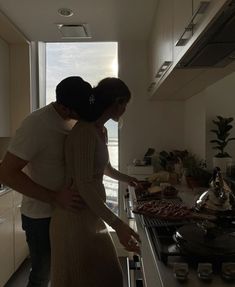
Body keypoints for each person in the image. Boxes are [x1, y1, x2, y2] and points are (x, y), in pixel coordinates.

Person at [0, 76, 92, 287]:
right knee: (42, 275)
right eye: (77, 110)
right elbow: (5, 173)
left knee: (63, 271)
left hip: (64, 212)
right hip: (40, 217)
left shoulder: (71, 119)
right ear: (63, 106)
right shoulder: (37, 124)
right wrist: (54, 197)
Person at [50, 77, 141, 287]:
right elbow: (84, 184)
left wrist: (128, 179)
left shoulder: (100, 130)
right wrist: (118, 225)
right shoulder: (84, 132)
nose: (125, 109)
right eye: (125, 104)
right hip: (74, 221)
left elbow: (104, 168)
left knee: (109, 277)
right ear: (117, 102)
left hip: (90, 215)